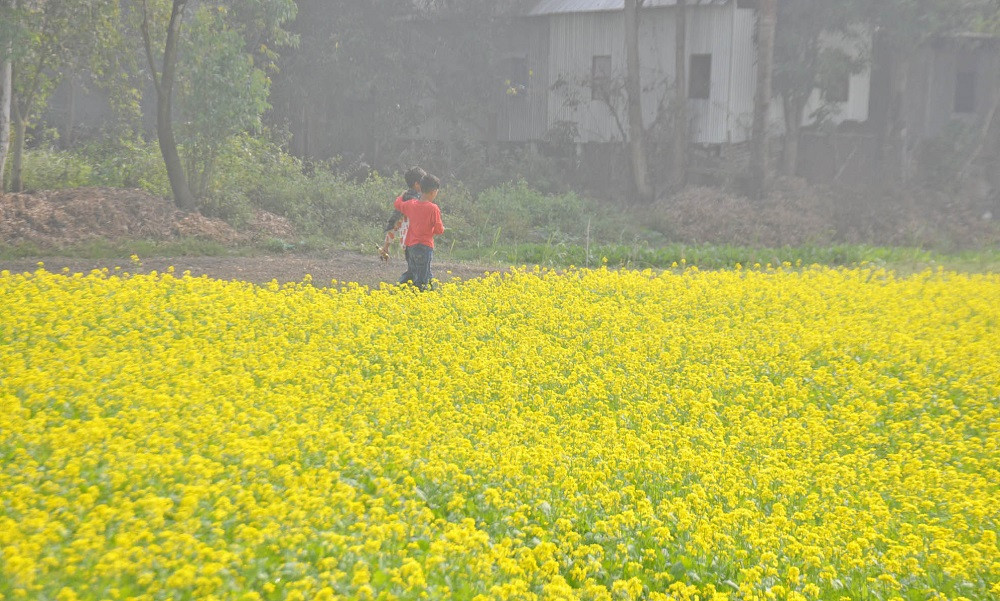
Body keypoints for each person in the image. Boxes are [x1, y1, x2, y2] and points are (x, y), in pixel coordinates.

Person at [395, 174, 444, 290]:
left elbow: (398, 204)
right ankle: (417, 294)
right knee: (422, 277)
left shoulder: (411, 204)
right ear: (433, 192)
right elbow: (439, 230)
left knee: (414, 271)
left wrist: (402, 194)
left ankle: (432, 291)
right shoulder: (433, 208)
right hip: (424, 247)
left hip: (410, 247)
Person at [378, 166, 425, 264]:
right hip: (415, 242)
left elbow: (395, 224)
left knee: (414, 268)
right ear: (417, 184)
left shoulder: (404, 197)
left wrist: (386, 246)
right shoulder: (415, 201)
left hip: (408, 242)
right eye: (424, 182)